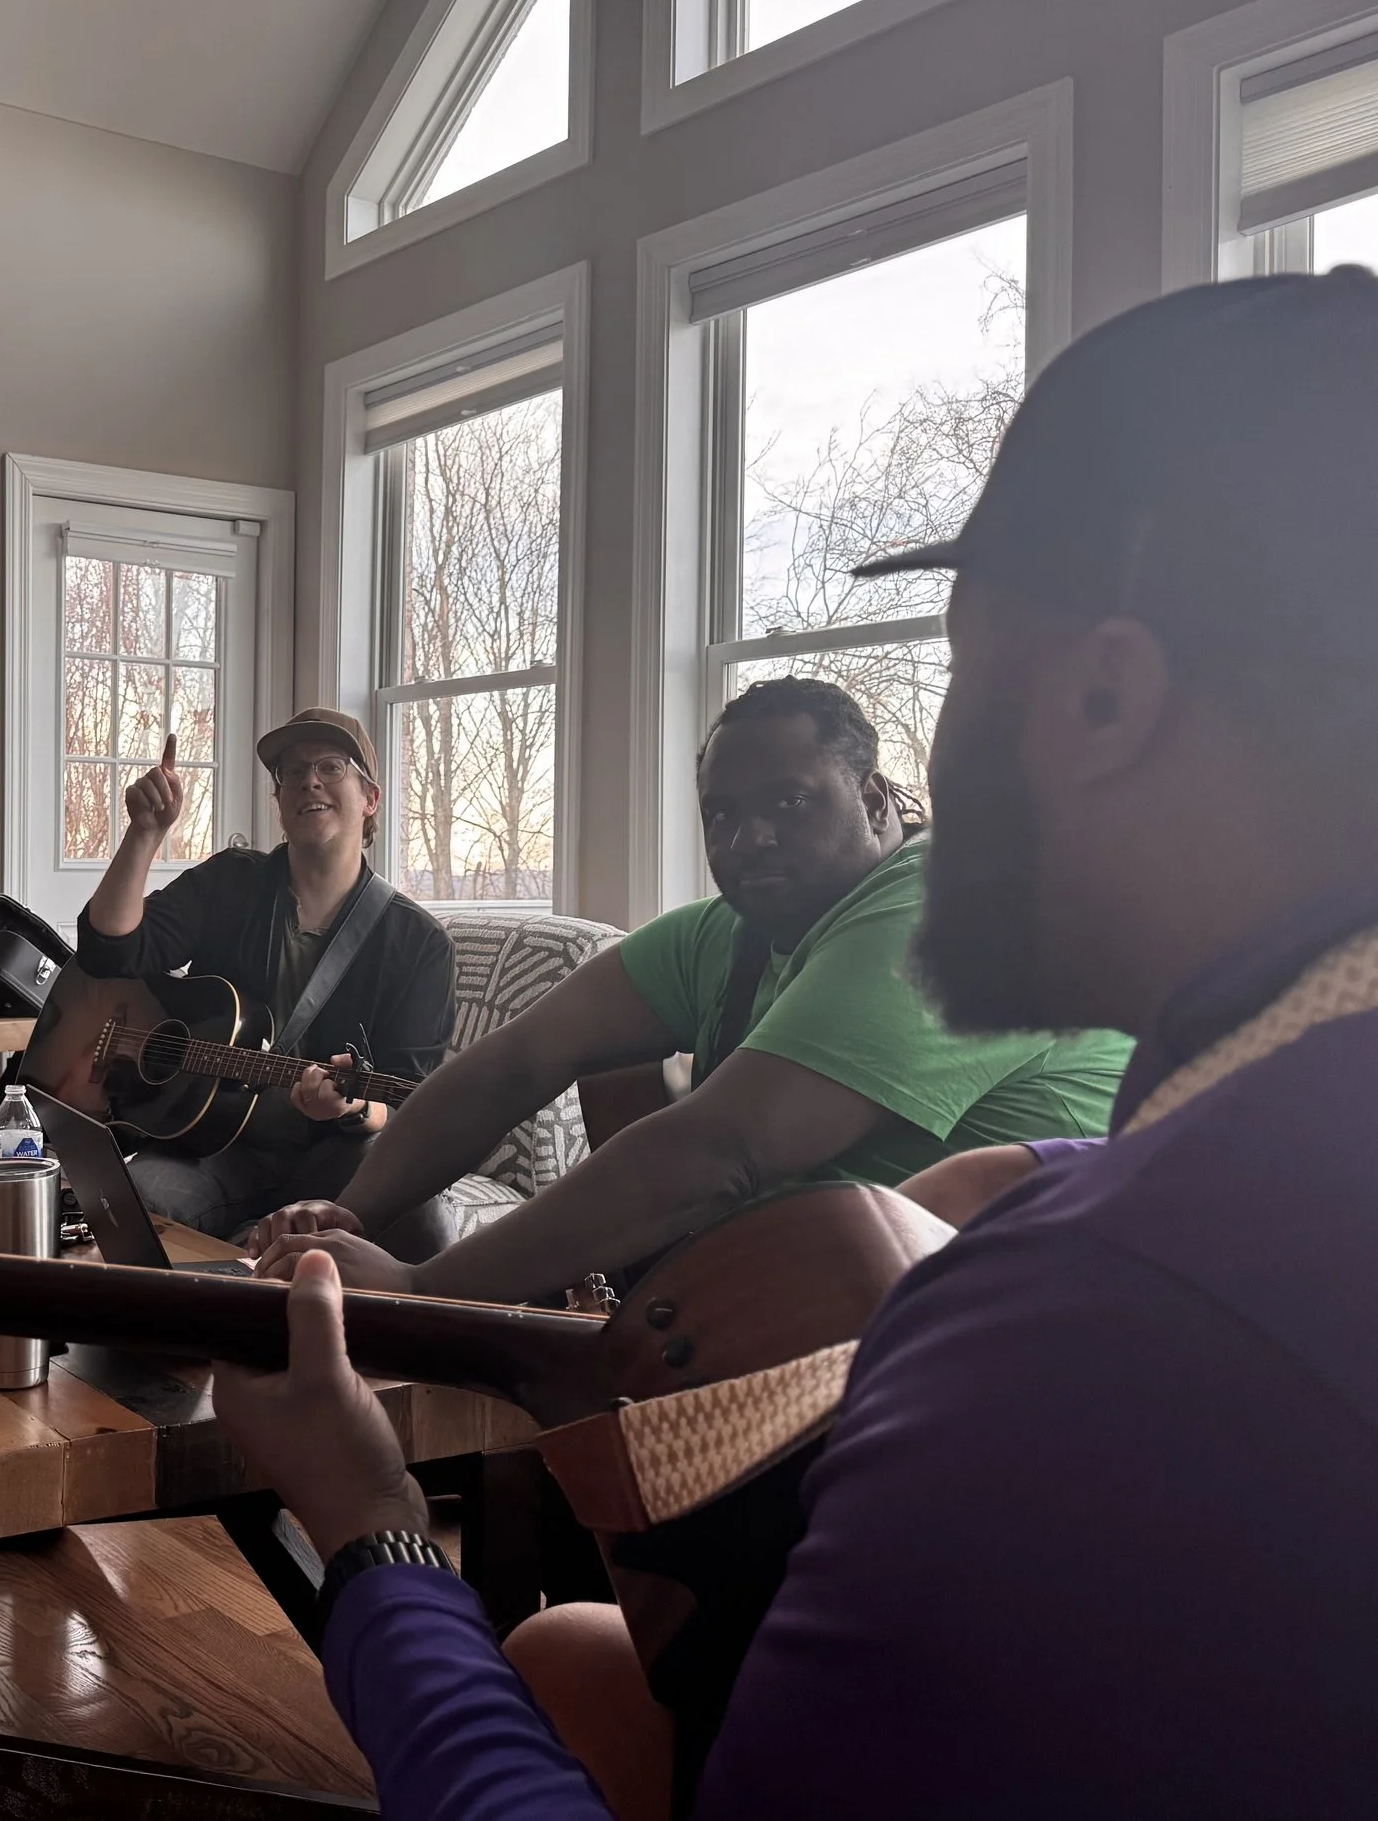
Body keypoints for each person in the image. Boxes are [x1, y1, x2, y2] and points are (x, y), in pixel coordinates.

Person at [212, 269, 1378, 1816]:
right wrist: (1038, 1166)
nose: (946, 753)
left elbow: (732, 1140)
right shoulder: (1237, 1156)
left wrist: (372, 1526)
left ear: (1103, 699)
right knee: (568, 1655)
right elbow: (514, 1067)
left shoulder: (1085, 1324)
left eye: (965, 670)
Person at [248, 678, 1130, 1302]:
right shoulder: (732, 932)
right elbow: (516, 1060)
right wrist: (350, 1208)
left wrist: (422, 1285)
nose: (746, 839)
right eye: (721, 813)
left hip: (1013, 1332)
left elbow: (723, 1151)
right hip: (806, 1311)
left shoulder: (943, 907)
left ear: (872, 798)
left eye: (788, 804)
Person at [73, 708, 455, 1247]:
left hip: (336, 1160)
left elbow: (408, 1099)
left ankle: (271, 1246)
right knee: (122, 1202)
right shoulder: (231, 881)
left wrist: (352, 1107)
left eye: (330, 766)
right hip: (209, 1148)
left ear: (370, 798)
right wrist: (144, 835)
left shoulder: (419, 943)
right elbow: (109, 952)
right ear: (279, 800)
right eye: (291, 772)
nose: (308, 781)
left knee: (421, 1219)